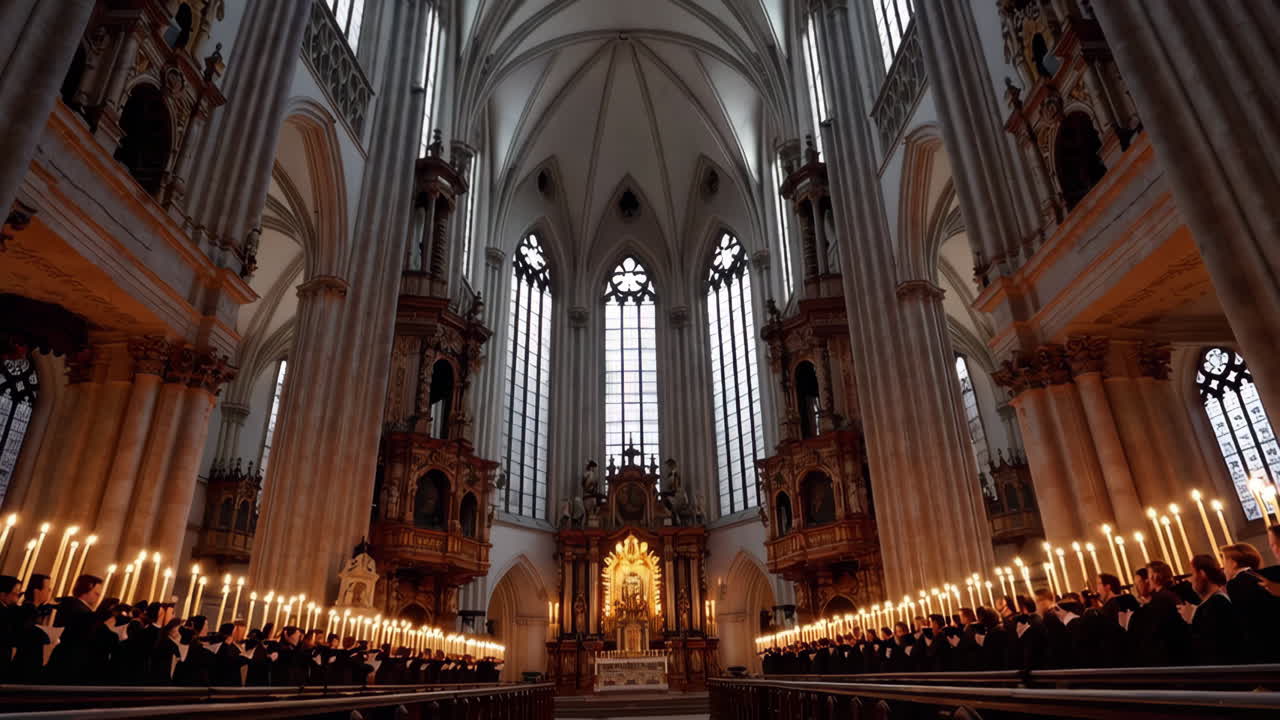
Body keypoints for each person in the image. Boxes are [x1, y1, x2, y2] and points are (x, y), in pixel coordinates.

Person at [1221, 542, 1280, 663]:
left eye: (1224, 562)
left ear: (1233, 562)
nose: (1223, 568)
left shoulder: (1236, 583)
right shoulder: (1256, 576)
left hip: (1261, 647)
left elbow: (1242, 619)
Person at [1182, 553, 1242, 665]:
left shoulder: (1217, 604)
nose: (1190, 580)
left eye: (1193, 573)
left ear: (1202, 574)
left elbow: (1208, 646)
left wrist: (1192, 619)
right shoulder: (1218, 601)